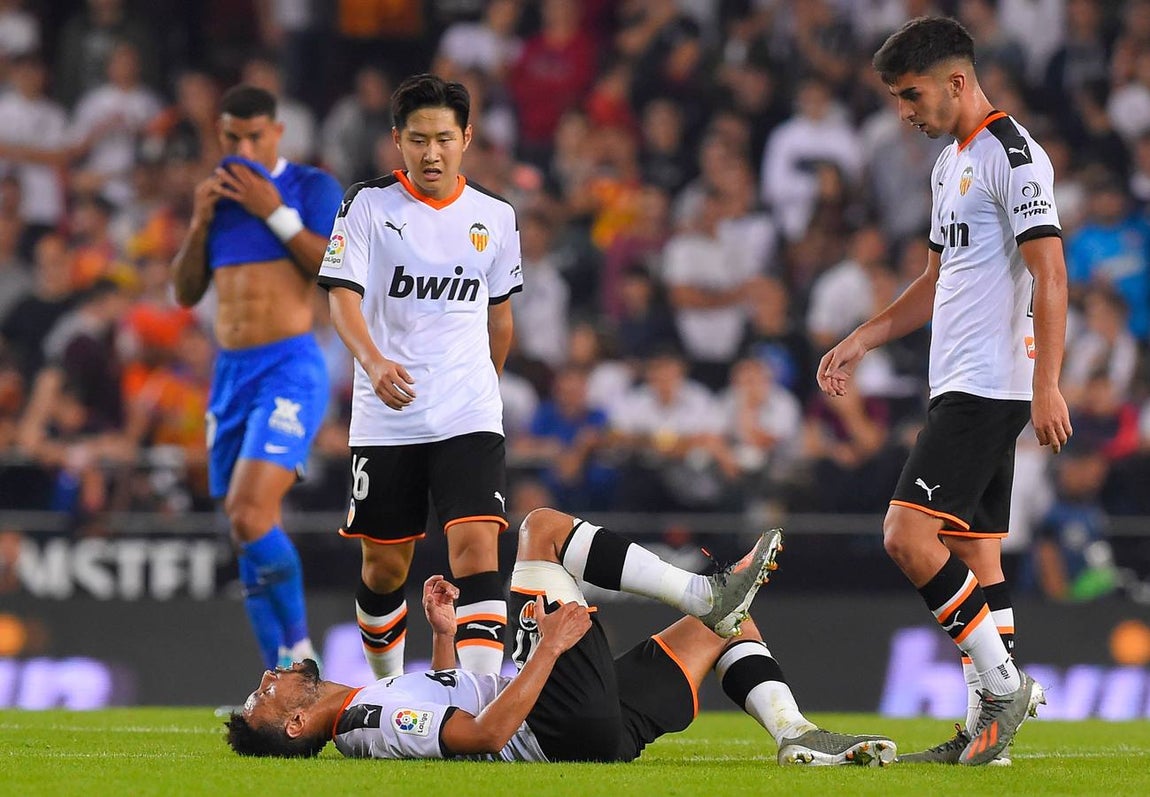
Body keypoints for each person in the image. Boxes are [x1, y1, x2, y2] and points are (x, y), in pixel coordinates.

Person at [817, 17, 1071, 766]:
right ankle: (984, 738)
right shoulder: (948, 164)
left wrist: (1047, 383)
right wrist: (863, 336)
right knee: (976, 555)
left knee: (905, 534)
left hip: (990, 385)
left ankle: (1003, 686)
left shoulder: (1013, 156)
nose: (904, 110)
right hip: (956, 380)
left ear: (957, 82)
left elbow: (1051, 273)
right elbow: (934, 282)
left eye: (911, 94)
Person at [225, 508, 897, 766]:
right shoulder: (366, 718)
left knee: (728, 628)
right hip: (554, 722)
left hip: (586, 733)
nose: (267, 678)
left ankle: (796, 734)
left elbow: (448, 704)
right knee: (541, 528)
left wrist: (443, 639)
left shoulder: (364, 705)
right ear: (292, 724)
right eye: (263, 697)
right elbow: (480, 736)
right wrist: (545, 645)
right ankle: (700, 587)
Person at [317, 74, 519, 679]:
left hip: (468, 411)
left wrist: (481, 389)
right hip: (388, 414)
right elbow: (342, 301)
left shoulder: (497, 216)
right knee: (385, 569)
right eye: (418, 140)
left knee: (479, 551)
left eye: (444, 139)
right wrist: (374, 363)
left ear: (466, 139)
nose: (432, 153)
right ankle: (387, 693)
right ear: (397, 141)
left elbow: (500, 318)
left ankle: (479, 703)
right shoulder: (367, 206)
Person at [171, 85, 343, 671]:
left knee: (250, 512)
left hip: (289, 367)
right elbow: (187, 290)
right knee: (245, 528)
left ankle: (301, 654)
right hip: (231, 373)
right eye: (231, 137)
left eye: (254, 135)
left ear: (277, 133)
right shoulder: (216, 202)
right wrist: (198, 223)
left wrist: (274, 210)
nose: (242, 146)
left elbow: (332, 267)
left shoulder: (310, 187)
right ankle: (277, 677)